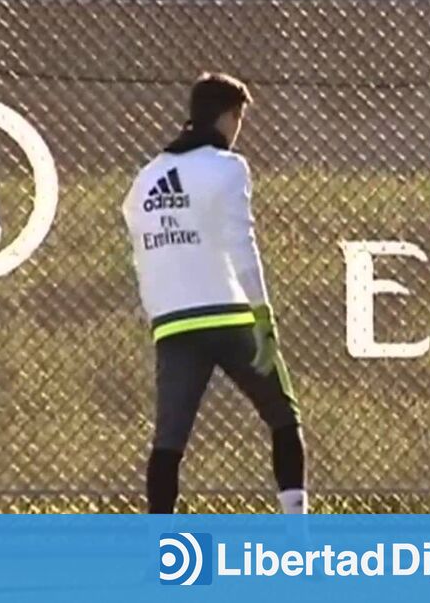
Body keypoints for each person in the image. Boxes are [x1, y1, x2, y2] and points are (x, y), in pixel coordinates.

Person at [122, 72, 308, 515]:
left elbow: (140, 246)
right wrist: (262, 314)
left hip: (173, 321)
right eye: (239, 116)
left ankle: (162, 554)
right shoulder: (227, 167)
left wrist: (158, 311)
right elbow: (240, 241)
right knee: (283, 417)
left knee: (169, 441)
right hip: (230, 315)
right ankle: (298, 539)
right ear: (228, 116)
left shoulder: (147, 177)